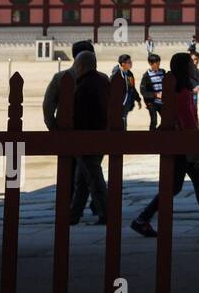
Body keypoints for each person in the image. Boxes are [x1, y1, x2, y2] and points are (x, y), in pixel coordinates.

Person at [131, 51, 199, 238]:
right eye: (190, 63)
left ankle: (142, 219)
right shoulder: (181, 91)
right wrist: (195, 145)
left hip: (182, 143)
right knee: (190, 184)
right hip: (184, 144)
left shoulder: (180, 87)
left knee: (180, 186)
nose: (193, 65)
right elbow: (186, 120)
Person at [42, 41, 109, 224]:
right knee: (83, 175)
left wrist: (55, 130)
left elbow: (48, 107)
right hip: (100, 133)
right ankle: (75, 213)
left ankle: (101, 211)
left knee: (87, 175)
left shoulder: (61, 77)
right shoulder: (104, 79)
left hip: (74, 134)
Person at [110, 54, 138, 130]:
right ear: (123, 64)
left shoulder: (130, 74)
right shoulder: (116, 75)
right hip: (118, 104)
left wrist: (138, 99)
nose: (131, 63)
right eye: (129, 62)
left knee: (124, 120)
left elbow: (132, 87)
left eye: (131, 61)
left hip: (127, 103)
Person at [138, 53, 164, 131]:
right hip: (152, 103)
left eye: (159, 63)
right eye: (156, 64)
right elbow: (143, 91)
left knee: (167, 119)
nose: (158, 65)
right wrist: (155, 95)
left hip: (162, 102)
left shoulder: (163, 72)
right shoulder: (146, 76)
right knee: (154, 121)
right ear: (150, 63)